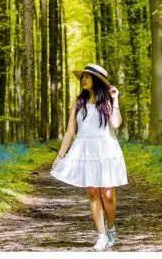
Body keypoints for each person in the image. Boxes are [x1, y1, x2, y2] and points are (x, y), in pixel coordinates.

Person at [51, 63, 129, 251]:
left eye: (87, 76)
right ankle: (101, 235)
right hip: (85, 152)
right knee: (93, 192)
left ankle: (111, 229)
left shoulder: (107, 102)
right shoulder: (78, 103)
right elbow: (70, 132)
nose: (83, 79)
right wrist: (60, 156)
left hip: (106, 151)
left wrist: (115, 99)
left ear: (97, 80)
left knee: (108, 194)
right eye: (82, 77)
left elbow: (116, 124)